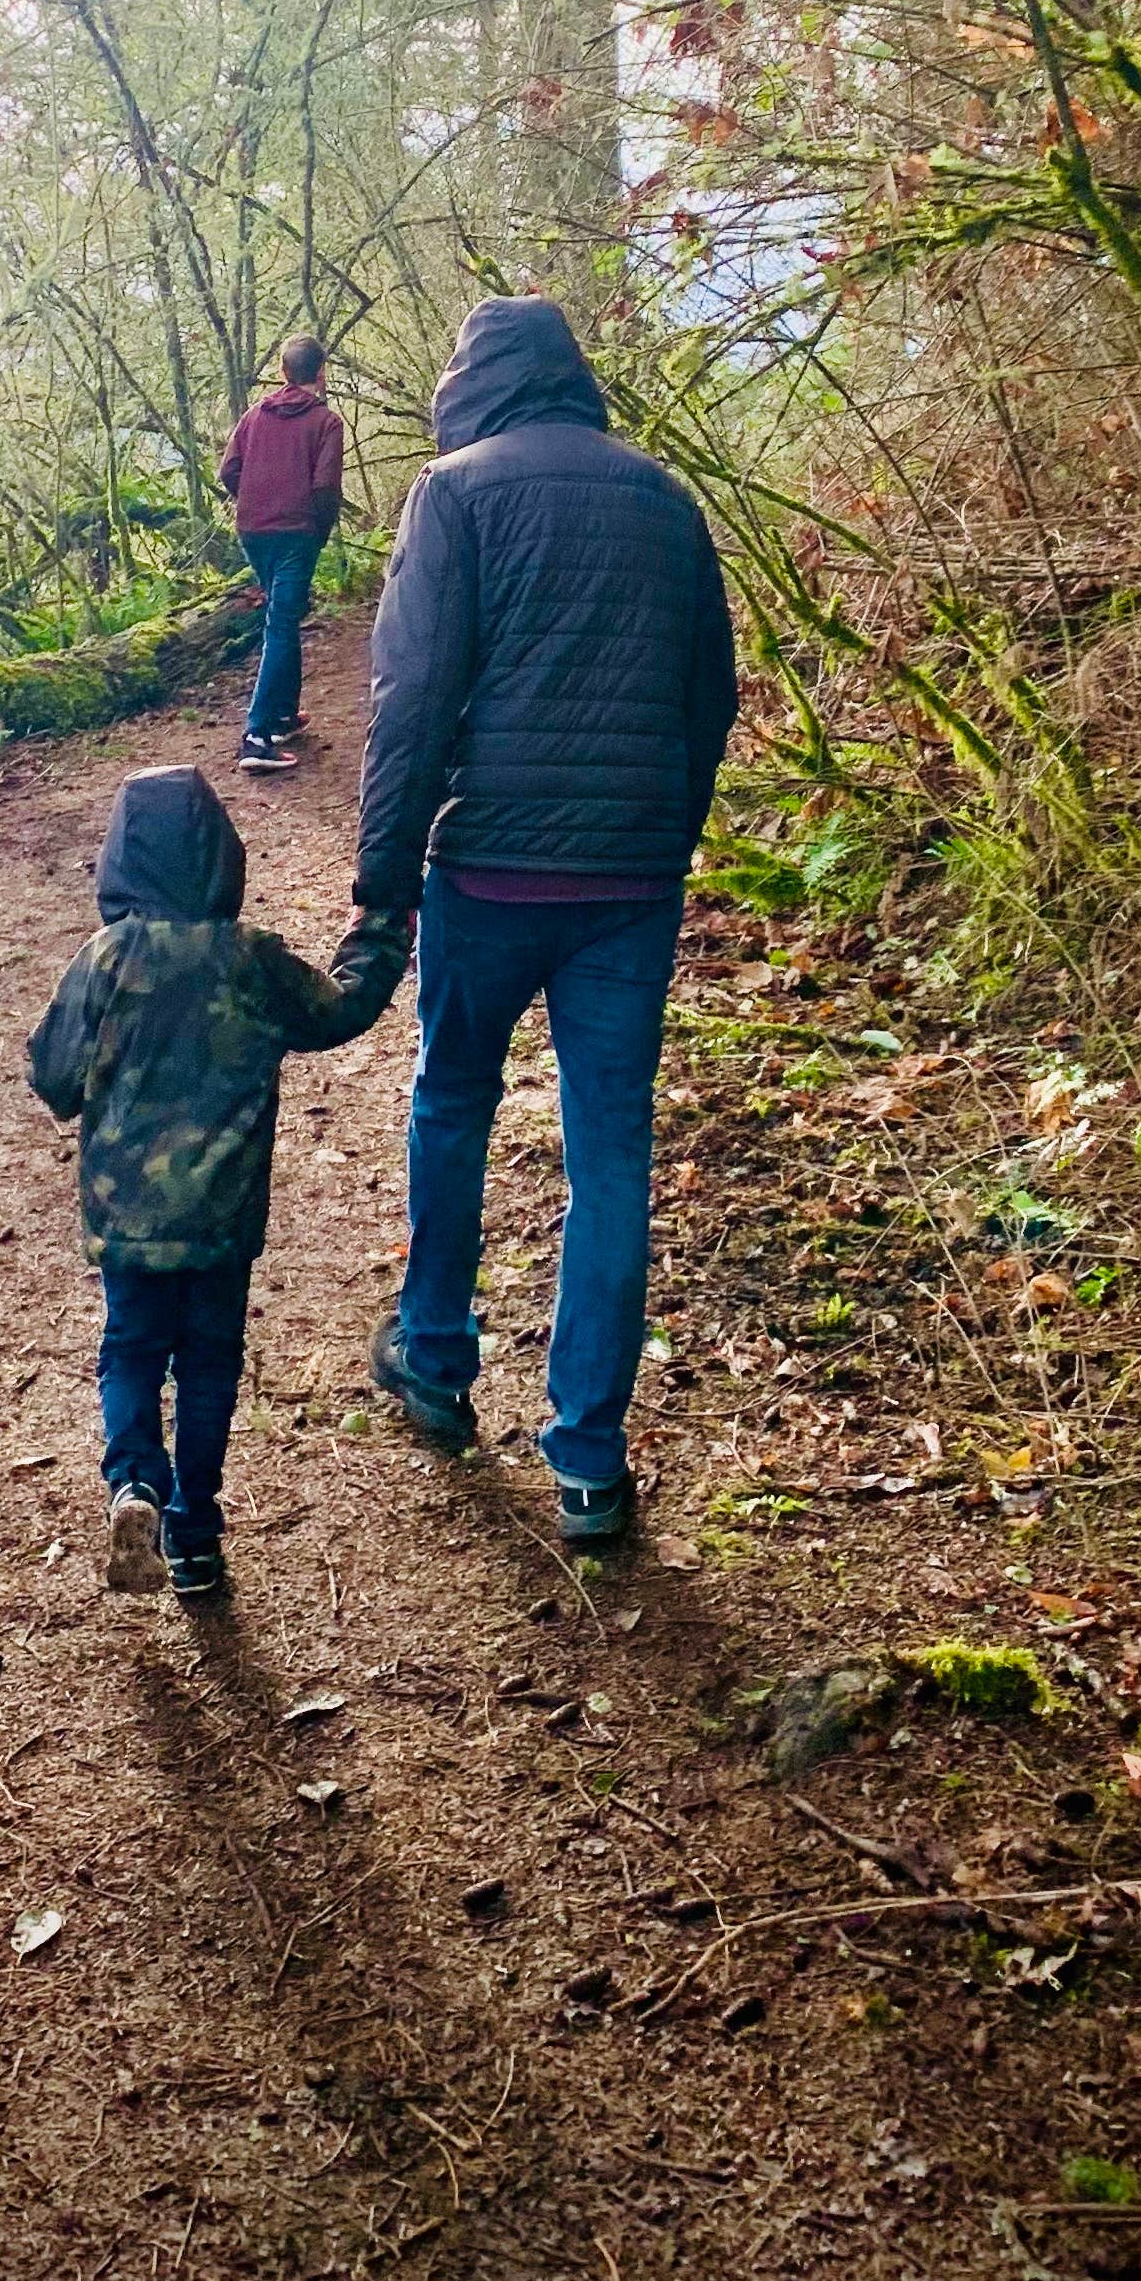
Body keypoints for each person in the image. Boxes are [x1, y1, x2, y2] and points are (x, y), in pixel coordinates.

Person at [352, 299, 737, 1554]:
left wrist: (383, 879)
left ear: (472, 387)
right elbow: (711, 699)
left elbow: (411, 700)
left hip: (492, 874)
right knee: (609, 1154)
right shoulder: (666, 500)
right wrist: (662, 839)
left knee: (451, 1099)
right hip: (628, 884)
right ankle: (591, 1460)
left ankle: (436, 1357)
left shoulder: (454, 494)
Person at [28, 765, 409, 1601]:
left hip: (128, 1219)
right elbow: (342, 1010)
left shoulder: (105, 960)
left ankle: (134, 1483)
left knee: (130, 1348)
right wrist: (381, 925)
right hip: (224, 1217)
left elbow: (52, 1078)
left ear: (117, 863)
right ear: (222, 859)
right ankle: (196, 1535)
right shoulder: (252, 960)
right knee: (208, 1364)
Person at [217, 335, 345, 772]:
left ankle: (284, 716)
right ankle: (255, 737)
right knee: (282, 623)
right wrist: (319, 530)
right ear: (321, 374)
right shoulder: (326, 423)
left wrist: (253, 499)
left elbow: (228, 470)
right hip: (296, 534)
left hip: (254, 531)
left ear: (284, 373)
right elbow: (326, 488)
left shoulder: (254, 416)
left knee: (283, 615)